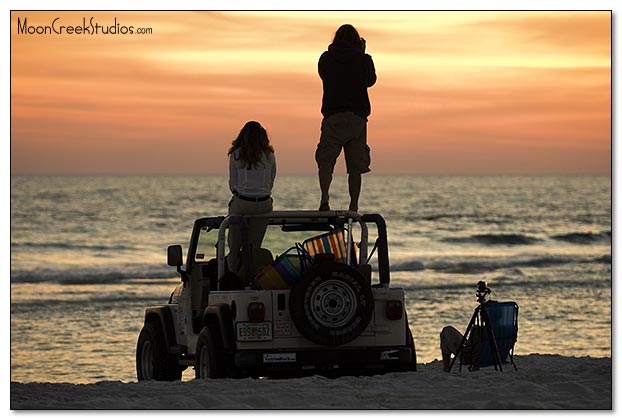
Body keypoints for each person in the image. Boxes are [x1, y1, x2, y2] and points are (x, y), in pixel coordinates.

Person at [316, 24, 377, 212]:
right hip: (356, 118)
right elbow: (371, 81)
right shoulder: (363, 59)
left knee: (326, 162)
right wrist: (363, 54)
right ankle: (354, 205)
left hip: (333, 116)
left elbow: (323, 75)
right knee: (355, 167)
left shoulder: (326, 58)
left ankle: (325, 198)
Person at [227, 121, 276, 277]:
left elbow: (233, 183)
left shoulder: (236, 154)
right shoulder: (269, 155)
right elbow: (271, 180)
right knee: (254, 247)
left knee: (234, 247)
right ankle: (247, 278)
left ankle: (231, 276)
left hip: (242, 203)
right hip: (263, 204)